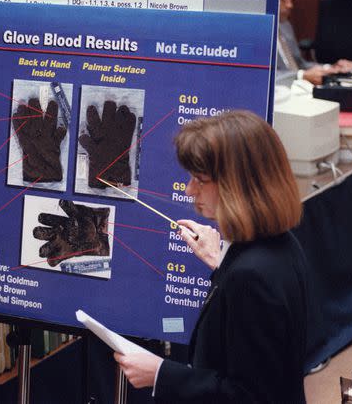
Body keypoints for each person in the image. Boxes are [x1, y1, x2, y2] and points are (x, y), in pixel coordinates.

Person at [114, 111, 309, 403]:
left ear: (237, 185)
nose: (190, 189)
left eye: (200, 179)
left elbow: (249, 395)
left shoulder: (250, 277)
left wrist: (160, 374)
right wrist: (221, 265)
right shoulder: (279, 245)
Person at [277, 0, 352, 85]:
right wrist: (301, 76)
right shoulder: (255, 34)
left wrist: (331, 67)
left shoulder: (285, 25)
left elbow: (300, 64)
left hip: (300, 89)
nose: (290, 5)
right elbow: (261, 76)